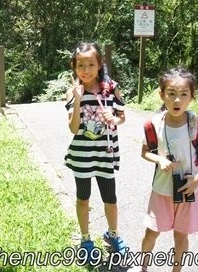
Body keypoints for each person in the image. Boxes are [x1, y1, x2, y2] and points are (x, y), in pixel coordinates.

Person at [137, 67, 198, 272]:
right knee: (151, 233)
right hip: (162, 190)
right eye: (171, 94)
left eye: (183, 95)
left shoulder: (197, 124)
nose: (176, 100)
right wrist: (159, 160)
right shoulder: (154, 124)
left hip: (188, 190)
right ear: (161, 94)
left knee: (181, 236)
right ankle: (143, 267)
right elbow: (144, 151)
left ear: (191, 97)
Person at [64, 42, 127, 262]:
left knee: (110, 198)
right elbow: (73, 129)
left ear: (100, 64)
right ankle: (85, 239)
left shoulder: (111, 88)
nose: (86, 69)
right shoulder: (73, 93)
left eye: (91, 64)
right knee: (83, 199)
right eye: (81, 65)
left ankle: (113, 235)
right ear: (75, 67)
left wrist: (115, 119)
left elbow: (122, 117)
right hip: (82, 155)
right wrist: (78, 97)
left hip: (105, 154)